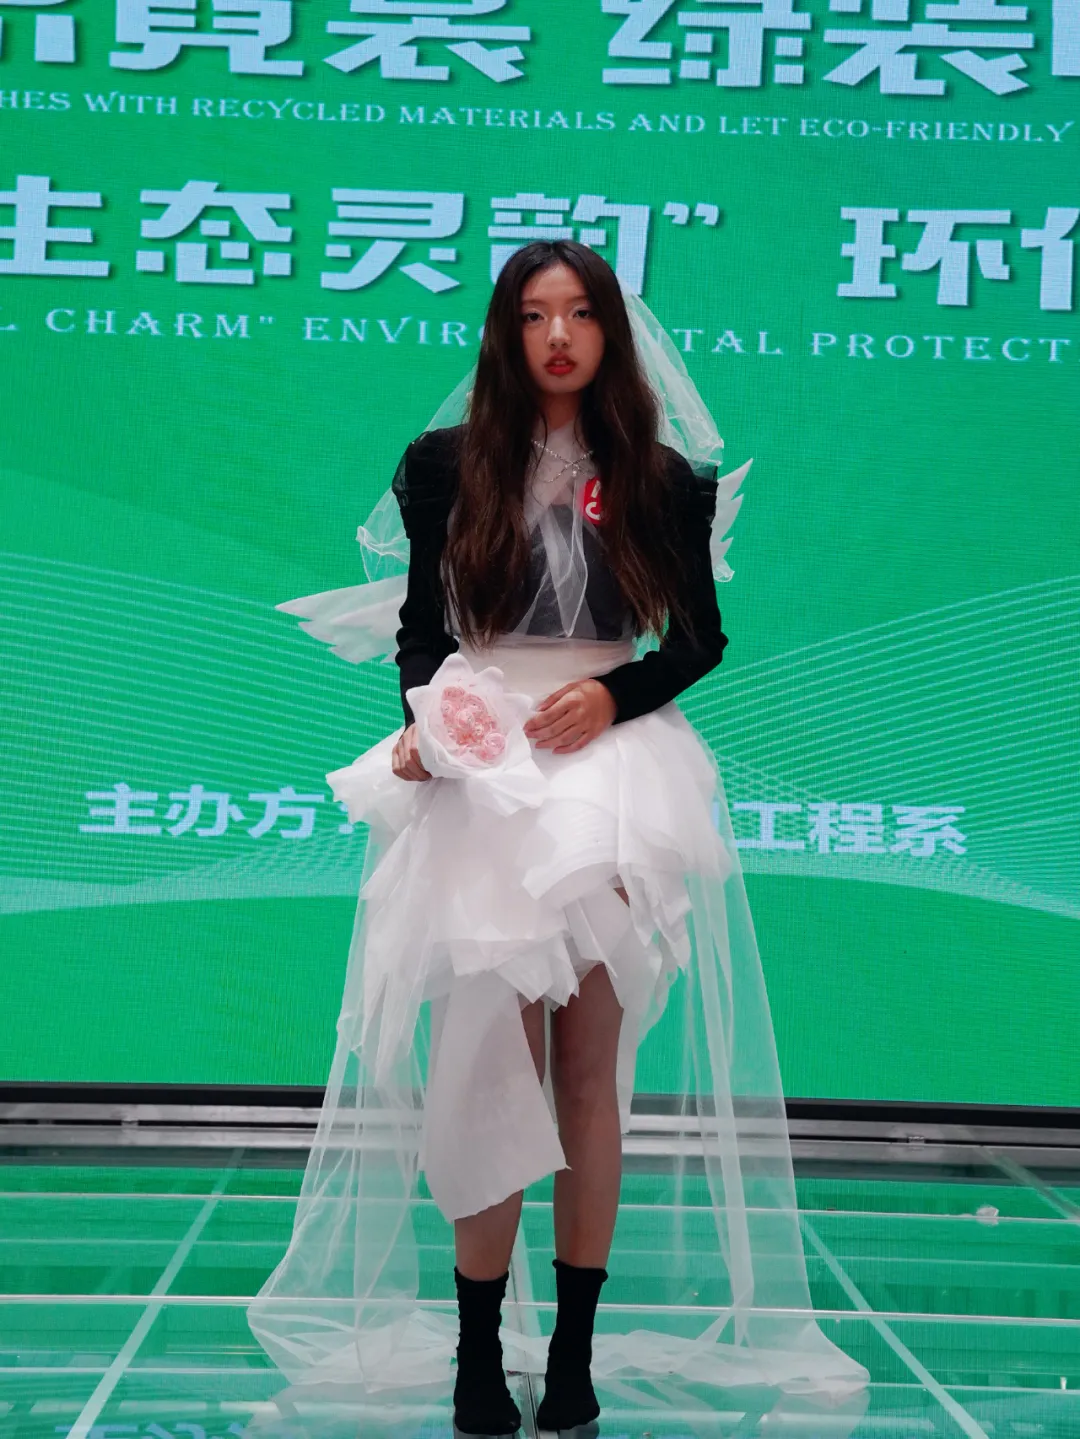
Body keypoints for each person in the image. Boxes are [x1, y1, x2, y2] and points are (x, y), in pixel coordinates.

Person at [249, 241, 869, 1438]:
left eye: (580, 313)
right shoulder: (445, 465)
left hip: (615, 775)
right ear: (506, 333)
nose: (559, 336)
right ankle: (477, 1351)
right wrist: (435, 722)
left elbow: (698, 640)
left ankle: (573, 1355)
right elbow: (422, 631)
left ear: (610, 333)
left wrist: (613, 695)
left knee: (591, 1071)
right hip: (486, 770)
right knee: (484, 1059)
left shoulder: (662, 477)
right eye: (535, 315)